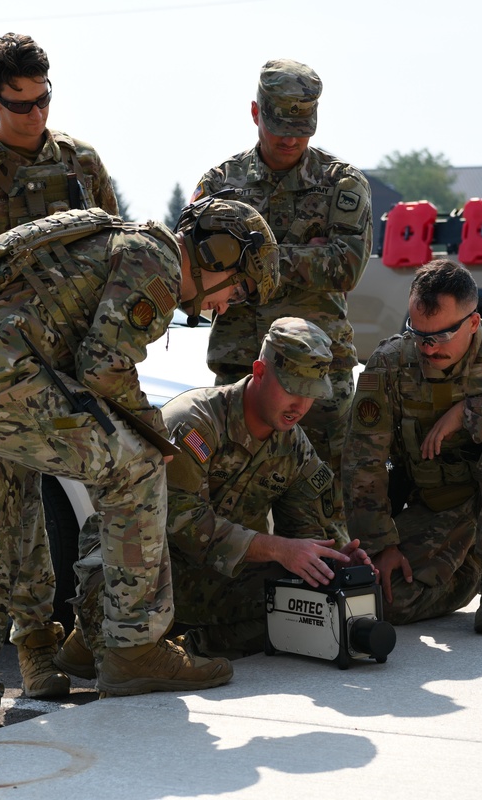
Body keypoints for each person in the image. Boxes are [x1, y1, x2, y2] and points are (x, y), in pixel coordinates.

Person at [0, 195, 279, 744]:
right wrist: (155, 431)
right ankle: (134, 647)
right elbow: (103, 367)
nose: (228, 305)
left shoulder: (122, 245)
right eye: (238, 288)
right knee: (140, 464)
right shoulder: (157, 261)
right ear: (218, 253)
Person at [0, 32, 119, 700]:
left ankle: (93, 630)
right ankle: (36, 646)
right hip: (2, 370)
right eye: (20, 105)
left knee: (124, 483)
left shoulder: (80, 161)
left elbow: (115, 248)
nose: (35, 115)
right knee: (19, 516)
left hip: (73, 360)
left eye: (43, 100)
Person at [57, 317, 372, 672]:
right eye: (292, 387)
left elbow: (307, 534)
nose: (300, 404)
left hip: (216, 577)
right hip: (153, 566)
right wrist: (276, 548)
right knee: (112, 567)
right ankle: (92, 639)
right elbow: (181, 520)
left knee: (308, 599)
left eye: (311, 393)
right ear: (260, 371)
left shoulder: (295, 449)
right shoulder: (195, 422)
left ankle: (187, 648)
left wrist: (337, 560)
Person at [190, 58, 373, 539]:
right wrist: (304, 259)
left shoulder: (342, 184)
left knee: (321, 502)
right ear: (256, 113)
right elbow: (196, 270)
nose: (290, 139)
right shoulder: (219, 185)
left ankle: (326, 604)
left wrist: (253, 266)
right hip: (241, 368)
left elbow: (346, 266)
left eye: (301, 128)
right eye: (279, 127)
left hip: (317, 376)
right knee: (230, 500)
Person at [343, 259, 482, 634]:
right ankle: (478, 570)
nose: (428, 348)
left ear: (473, 323)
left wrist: (470, 412)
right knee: (387, 600)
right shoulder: (390, 364)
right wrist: (382, 545)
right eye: (419, 334)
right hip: (438, 500)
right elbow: (362, 460)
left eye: (442, 336)